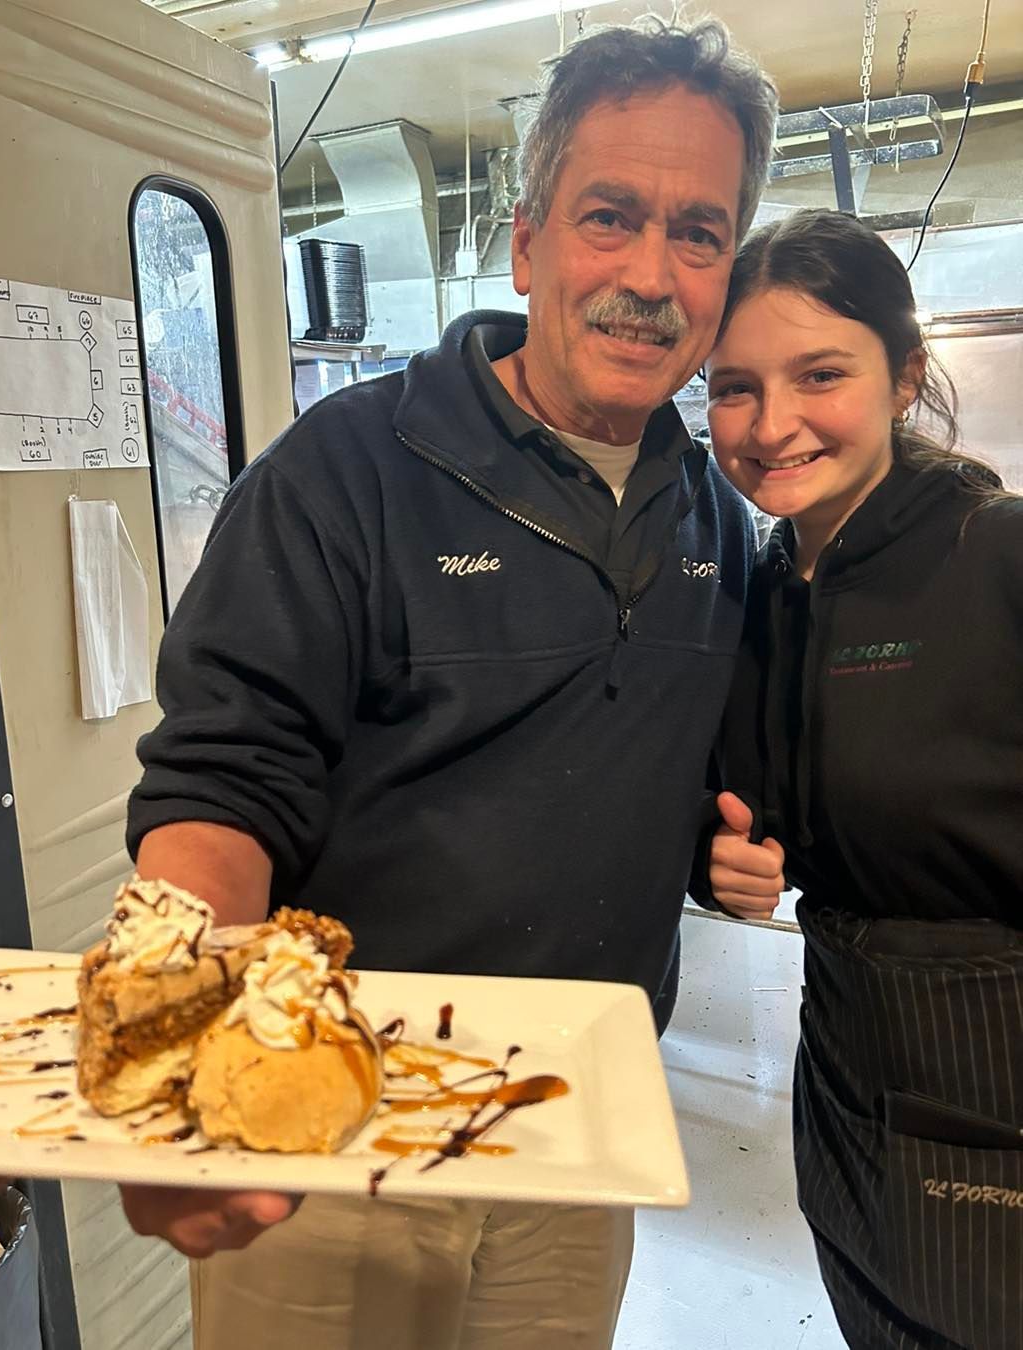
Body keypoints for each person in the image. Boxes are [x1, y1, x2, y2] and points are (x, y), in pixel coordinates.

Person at [112, 16, 779, 1350]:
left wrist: (722, 850)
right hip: (332, 1121)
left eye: (698, 233)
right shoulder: (338, 476)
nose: (650, 274)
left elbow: (672, 771)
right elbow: (222, 792)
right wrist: (156, 1039)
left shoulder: (718, 520)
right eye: (610, 216)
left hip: (572, 1122)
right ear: (528, 240)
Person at [698, 207, 1023, 1350]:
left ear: (904, 379)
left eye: (819, 374)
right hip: (841, 1063)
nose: (771, 424)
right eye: (733, 387)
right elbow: (759, 810)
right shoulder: (763, 589)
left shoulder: (998, 555)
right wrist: (723, 861)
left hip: (997, 1065)